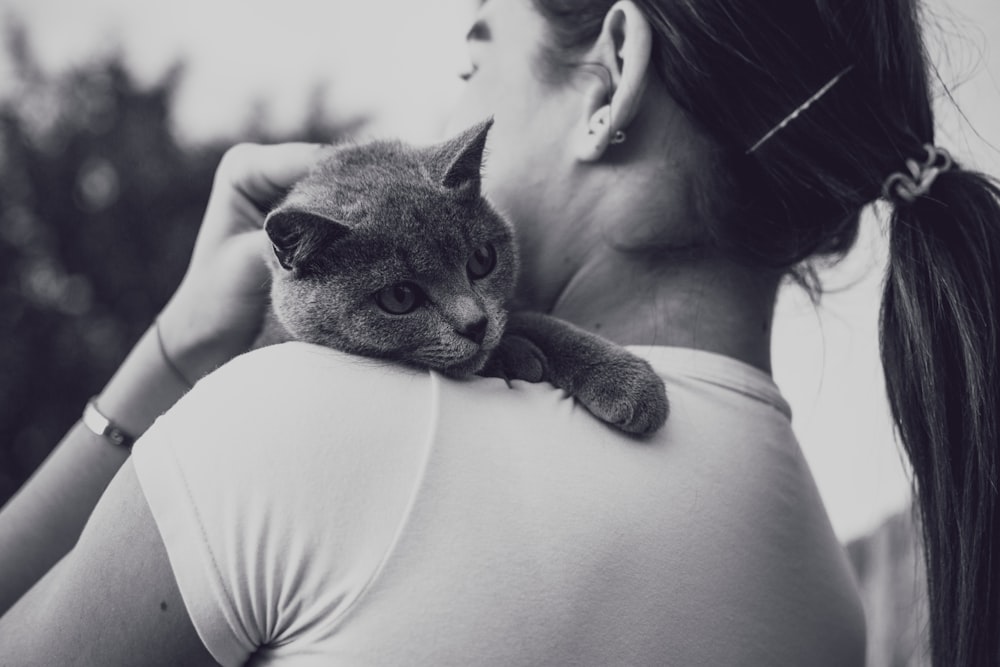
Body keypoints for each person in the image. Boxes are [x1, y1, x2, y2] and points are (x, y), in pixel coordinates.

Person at [0, 0, 996, 664]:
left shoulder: (306, 427)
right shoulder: (824, 602)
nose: (449, 116)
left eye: (470, 62)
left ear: (608, 79)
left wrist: (170, 358)